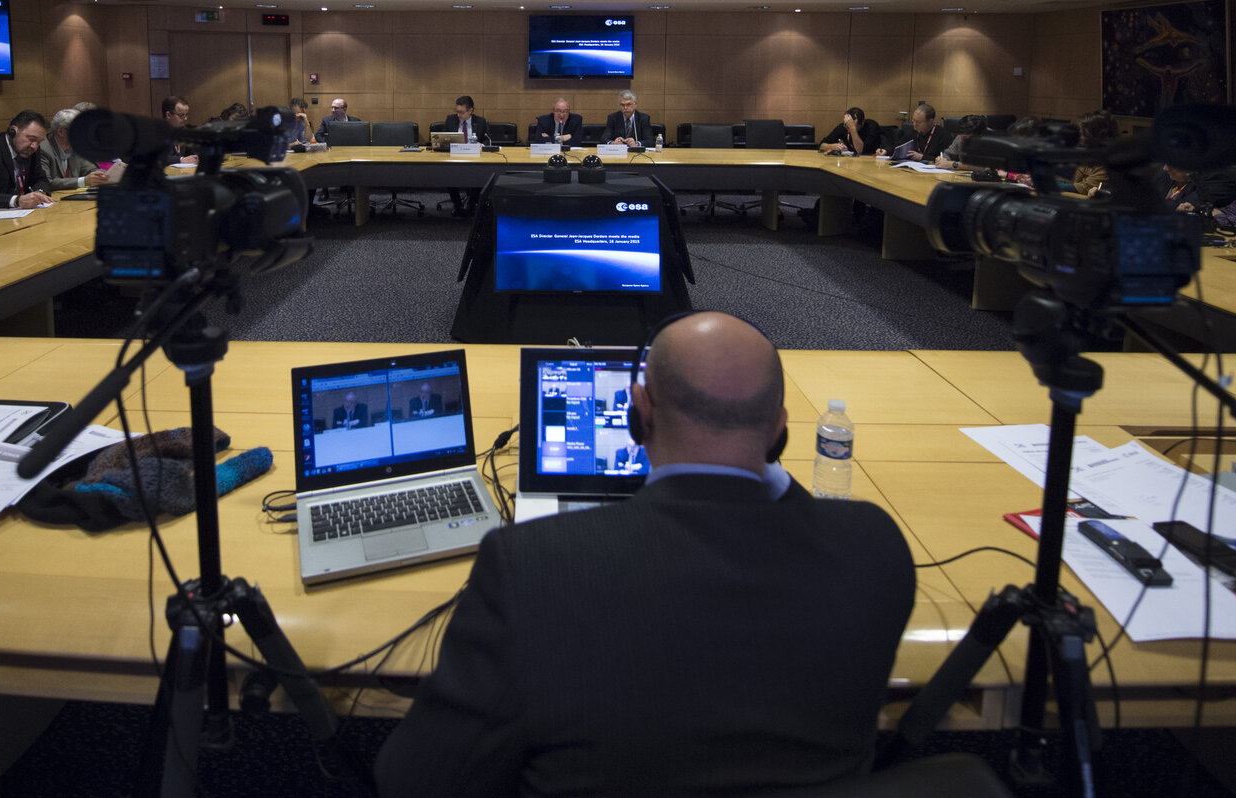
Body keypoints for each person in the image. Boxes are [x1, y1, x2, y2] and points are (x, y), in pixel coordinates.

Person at [374, 312, 915, 797]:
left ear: (639, 415)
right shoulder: (874, 545)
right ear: (778, 429)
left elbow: (415, 780)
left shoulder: (531, 564)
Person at [440, 95, 490, 218]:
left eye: (461, 112)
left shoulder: (480, 121)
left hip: (474, 157)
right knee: (448, 173)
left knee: (479, 173)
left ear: (470, 111)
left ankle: (472, 205)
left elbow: (487, 140)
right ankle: (457, 205)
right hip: (454, 156)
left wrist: (481, 144)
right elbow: (443, 140)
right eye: (457, 111)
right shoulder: (450, 120)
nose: (458, 115)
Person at [40, 107, 112, 191]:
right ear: (61, 131)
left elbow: (90, 170)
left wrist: (105, 175)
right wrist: (83, 181)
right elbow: (48, 182)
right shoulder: (43, 149)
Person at [877, 101, 953, 162]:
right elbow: (898, 145)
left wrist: (923, 157)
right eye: (913, 121)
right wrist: (886, 151)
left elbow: (946, 159)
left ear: (930, 121)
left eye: (918, 122)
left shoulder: (943, 135)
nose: (914, 125)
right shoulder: (915, 132)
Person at [1163, 162, 1236, 216]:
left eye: (1171, 163)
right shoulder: (1167, 175)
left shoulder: (1218, 177)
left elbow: (1186, 206)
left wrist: (1152, 206)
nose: (1165, 168)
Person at [1070, 109, 1114, 196]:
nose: (1079, 137)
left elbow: (1084, 187)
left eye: (1082, 134)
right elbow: (1074, 183)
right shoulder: (1086, 155)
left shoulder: (1108, 161)